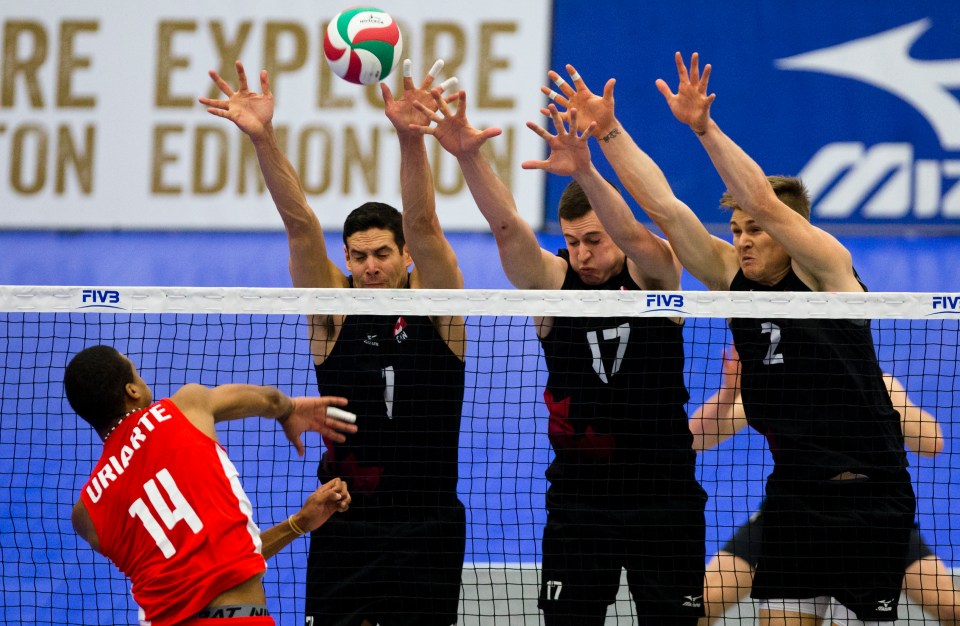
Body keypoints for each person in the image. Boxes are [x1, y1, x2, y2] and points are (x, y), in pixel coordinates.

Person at [544, 54, 917, 624]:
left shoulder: (828, 273)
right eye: (736, 230)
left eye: (755, 231)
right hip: (793, 495)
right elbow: (665, 209)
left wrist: (704, 128)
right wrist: (609, 134)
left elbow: (767, 201)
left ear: (794, 235)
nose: (742, 240)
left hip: (868, 492)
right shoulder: (730, 280)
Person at [412, 88, 706, 624]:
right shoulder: (552, 286)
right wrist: (469, 158)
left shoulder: (654, 276)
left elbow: (638, 237)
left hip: (664, 496)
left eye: (594, 240)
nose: (584, 255)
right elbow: (507, 229)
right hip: (579, 501)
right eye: (573, 242)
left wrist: (589, 173)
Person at [200, 60, 467, 626]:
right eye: (358, 256)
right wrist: (263, 137)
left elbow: (425, 224)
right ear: (346, 259)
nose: (370, 268)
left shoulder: (439, 308)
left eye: (382, 254)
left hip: (429, 524)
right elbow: (301, 227)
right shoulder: (333, 313)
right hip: (346, 520)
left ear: (404, 256)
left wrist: (409, 139)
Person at [66, 344, 355, 626]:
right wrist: (289, 409)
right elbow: (270, 400)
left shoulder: (86, 514)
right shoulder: (185, 406)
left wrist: (299, 523)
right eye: (136, 373)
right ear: (133, 390)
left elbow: (201, 572)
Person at [691, 348, 957, 626]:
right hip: (793, 519)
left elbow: (931, 442)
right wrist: (730, 391)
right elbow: (695, 438)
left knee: (953, 608)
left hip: (870, 522)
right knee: (698, 606)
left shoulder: (879, 382)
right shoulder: (778, 383)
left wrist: (875, 393)